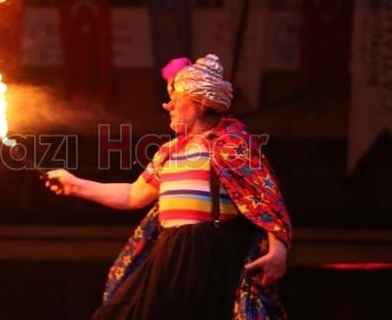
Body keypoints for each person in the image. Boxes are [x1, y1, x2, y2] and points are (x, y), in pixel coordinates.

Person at [46, 54, 291, 319]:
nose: (168, 105)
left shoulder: (230, 144)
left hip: (205, 249)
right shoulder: (169, 152)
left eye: (177, 98)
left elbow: (266, 199)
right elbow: (132, 194)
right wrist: (75, 185)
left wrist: (278, 250)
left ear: (199, 103)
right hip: (170, 247)